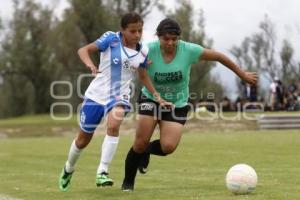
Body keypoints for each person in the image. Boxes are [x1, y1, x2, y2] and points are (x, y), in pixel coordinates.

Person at [121, 18, 258, 191]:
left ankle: (146, 152)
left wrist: (242, 74)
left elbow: (219, 56)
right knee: (139, 142)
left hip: (177, 103)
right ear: (158, 37)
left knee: (168, 147)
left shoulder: (189, 50)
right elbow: (142, 76)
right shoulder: (147, 50)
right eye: (166, 39)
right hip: (151, 98)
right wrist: (158, 97)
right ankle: (128, 185)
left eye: (174, 39)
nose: (170, 42)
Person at [58, 13, 172, 192]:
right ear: (123, 30)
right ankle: (68, 168)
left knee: (114, 124)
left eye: (140, 30)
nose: (137, 34)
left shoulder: (143, 51)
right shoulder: (110, 38)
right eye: (132, 31)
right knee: (82, 140)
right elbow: (83, 50)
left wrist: (157, 95)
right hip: (96, 95)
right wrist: (91, 65)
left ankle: (102, 171)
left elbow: (143, 75)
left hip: (119, 96)